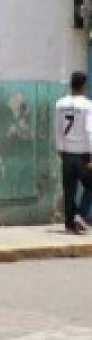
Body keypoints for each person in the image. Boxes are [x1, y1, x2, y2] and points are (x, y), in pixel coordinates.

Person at [54, 71, 92, 233]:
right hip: (83, 154)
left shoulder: (60, 104)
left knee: (69, 190)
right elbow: (90, 131)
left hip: (67, 153)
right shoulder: (87, 105)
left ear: (71, 84)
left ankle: (70, 223)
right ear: (84, 85)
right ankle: (81, 215)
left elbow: (58, 128)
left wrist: (60, 148)